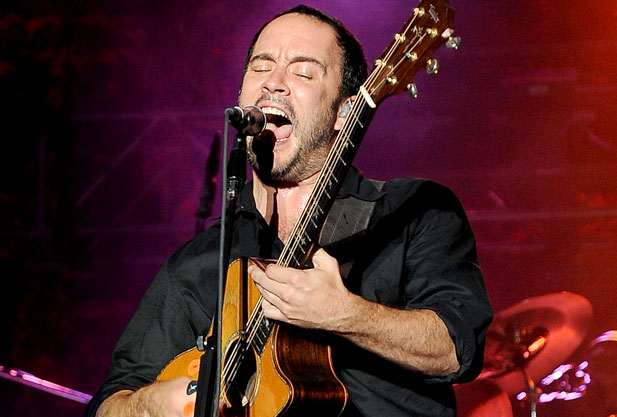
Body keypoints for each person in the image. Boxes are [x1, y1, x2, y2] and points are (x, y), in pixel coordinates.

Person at [86, 5, 493, 417]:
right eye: (261, 67)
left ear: (345, 111)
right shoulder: (200, 263)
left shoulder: (411, 212)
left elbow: (458, 349)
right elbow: (108, 403)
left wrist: (346, 315)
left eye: (303, 72)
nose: (274, 83)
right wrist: (154, 404)